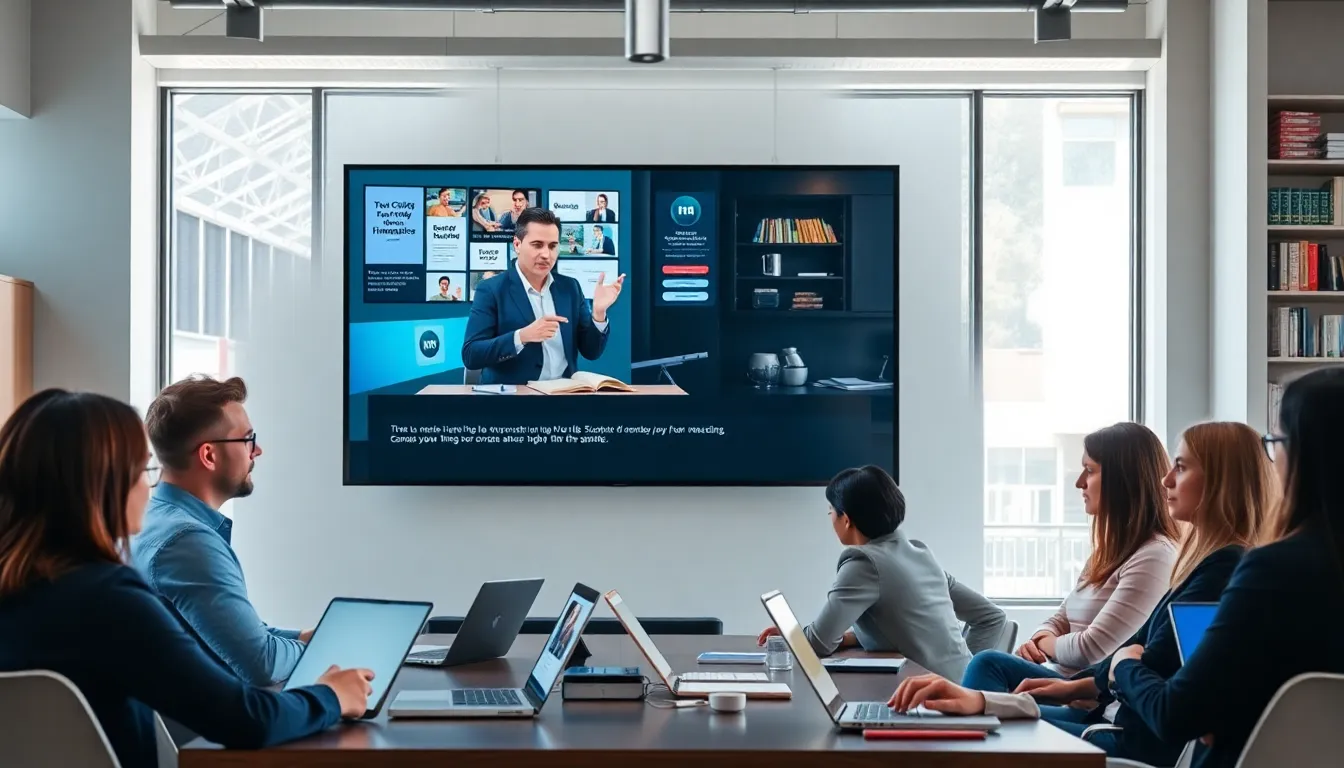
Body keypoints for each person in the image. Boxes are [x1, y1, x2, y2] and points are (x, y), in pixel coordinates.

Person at [0, 389, 373, 768]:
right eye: (142, 471)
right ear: (101, 486)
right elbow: (246, 720)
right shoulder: (109, 600)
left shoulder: (25, 590)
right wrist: (330, 696)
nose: (150, 488)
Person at [888, 421, 1277, 766]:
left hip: (1120, 739)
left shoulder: (1216, 569)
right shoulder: (1198, 566)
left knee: (983, 726)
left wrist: (1123, 664)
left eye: (1181, 467)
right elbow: (1134, 658)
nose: (1166, 481)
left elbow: (1155, 684)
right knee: (981, 698)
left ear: (1220, 482)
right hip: (1109, 720)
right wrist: (1093, 676)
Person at [1107, 370, 1344, 767]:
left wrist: (1125, 666)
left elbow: (1175, 714)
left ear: (1302, 454)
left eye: (1275, 443)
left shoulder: (1272, 571)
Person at [962, 422, 1179, 694]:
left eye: (1089, 470)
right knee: (988, 670)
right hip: (1059, 677)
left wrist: (1045, 644)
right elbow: (1059, 619)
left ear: (1123, 479)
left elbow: (1091, 650)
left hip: (1086, 696)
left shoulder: (1155, 556)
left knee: (988, 664)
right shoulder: (1107, 554)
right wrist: (1044, 635)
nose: (1079, 483)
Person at [130, 375, 311, 687]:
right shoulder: (186, 542)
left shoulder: (152, 518)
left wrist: (301, 638)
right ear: (209, 455)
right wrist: (320, 650)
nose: (257, 451)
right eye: (248, 439)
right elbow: (261, 663)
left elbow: (231, 633)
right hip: (197, 733)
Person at [755, 465, 1006, 681]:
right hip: (955, 697)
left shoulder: (864, 563)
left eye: (831, 510)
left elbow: (819, 644)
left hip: (927, 702)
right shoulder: (919, 553)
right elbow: (991, 617)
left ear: (847, 519)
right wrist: (966, 678)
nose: (829, 517)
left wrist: (792, 635)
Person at [461, 207, 625, 386]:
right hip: (513, 402)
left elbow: (591, 351)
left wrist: (599, 314)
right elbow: (471, 355)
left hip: (563, 398)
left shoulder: (570, 287)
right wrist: (522, 336)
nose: (546, 254)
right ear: (517, 245)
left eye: (553, 246)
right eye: (537, 245)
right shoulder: (491, 290)